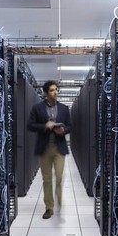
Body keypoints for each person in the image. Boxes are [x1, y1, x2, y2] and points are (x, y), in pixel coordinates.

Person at [28, 80, 72, 219]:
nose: (55, 92)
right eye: (52, 90)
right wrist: (44, 126)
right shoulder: (37, 108)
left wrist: (63, 130)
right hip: (45, 147)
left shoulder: (64, 108)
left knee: (59, 177)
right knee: (47, 179)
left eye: (56, 89)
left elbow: (70, 126)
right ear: (46, 92)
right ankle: (49, 207)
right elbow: (30, 125)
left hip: (59, 147)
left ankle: (59, 200)